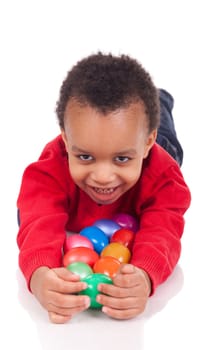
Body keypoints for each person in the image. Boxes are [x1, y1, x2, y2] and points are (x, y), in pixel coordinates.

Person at [17, 52, 191, 324]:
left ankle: (160, 102)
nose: (103, 176)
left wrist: (144, 275)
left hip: (158, 153)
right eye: (85, 156)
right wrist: (41, 273)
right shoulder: (49, 171)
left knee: (168, 141)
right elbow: (37, 220)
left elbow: (164, 230)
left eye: (122, 158)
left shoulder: (163, 177)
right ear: (65, 139)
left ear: (146, 144)